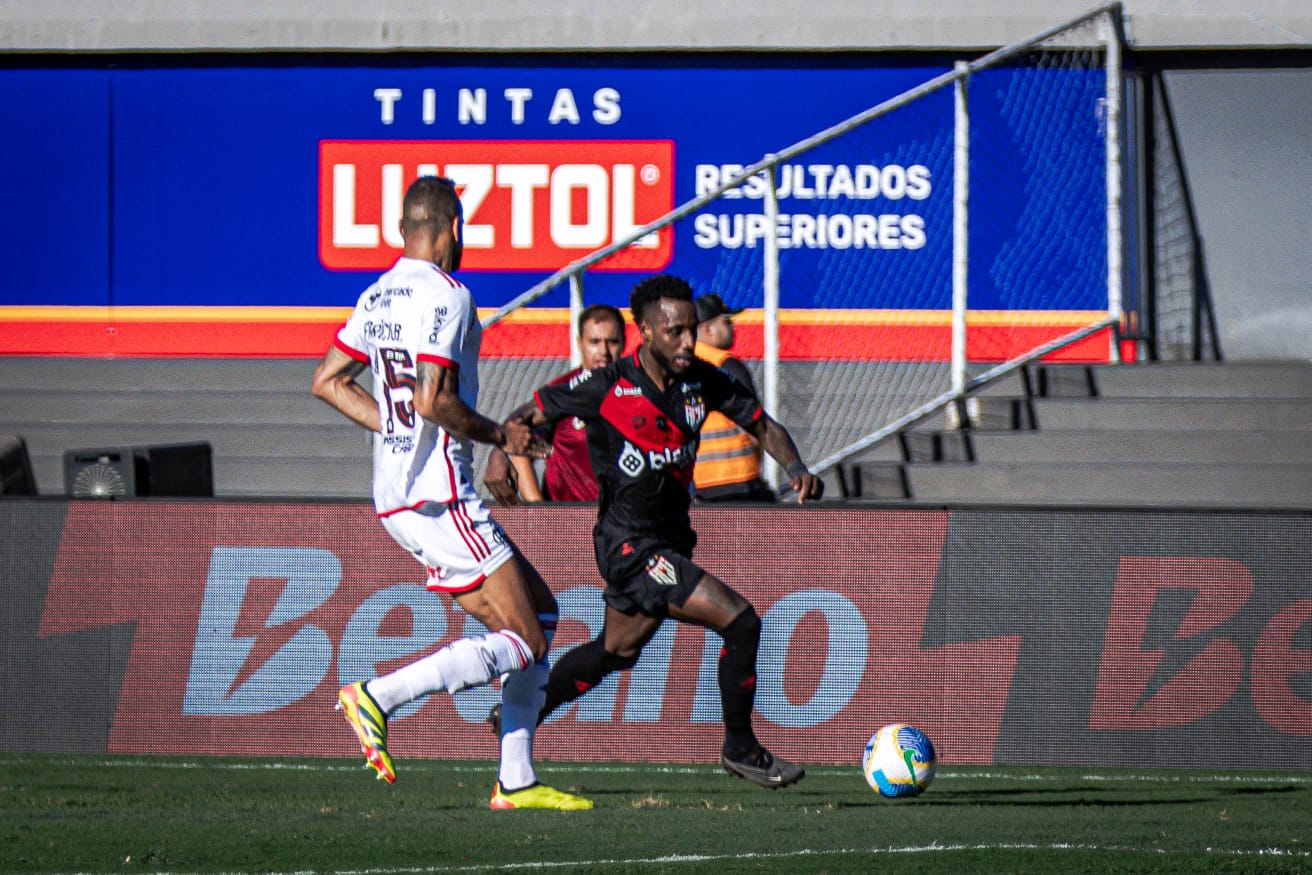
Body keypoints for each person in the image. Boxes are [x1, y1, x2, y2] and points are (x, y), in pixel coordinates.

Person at [310, 175, 592, 811]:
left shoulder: (375, 294)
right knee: (526, 640)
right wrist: (503, 435)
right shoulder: (450, 294)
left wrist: (394, 426)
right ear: (453, 228)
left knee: (539, 615)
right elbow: (435, 399)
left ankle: (516, 780)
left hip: (396, 491)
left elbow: (328, 381)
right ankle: (378, 697)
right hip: (438, 492)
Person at [486, 274, 823, 789]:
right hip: (627, 543)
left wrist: (796, 467)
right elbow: (528, 414)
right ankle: (740, 748)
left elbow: (762, 424)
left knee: (616, 650)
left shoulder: (701, 382)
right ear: (644, 331)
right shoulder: (604, 385)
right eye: (675, 333)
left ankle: (522, 709)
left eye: (691, 330)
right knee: (741, 621)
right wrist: (497, 452)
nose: (688, 342)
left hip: (668, 539)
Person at [488, 304, 625, 502]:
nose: (603, 351)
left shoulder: (635, 390)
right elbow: (520, 448)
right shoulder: (564, 391)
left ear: (624, 342)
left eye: (612, 341)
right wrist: (540, 511)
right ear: (579, 343)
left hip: (623, 522)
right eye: (594, 342)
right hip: (571, 520)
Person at [691, 292, 776, 503]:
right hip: (740, 477)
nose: (733, 328)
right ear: (708, 328)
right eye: (727, 322)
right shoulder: (725, 364)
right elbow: (757, 424)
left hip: (702, 483)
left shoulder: (683, 365)